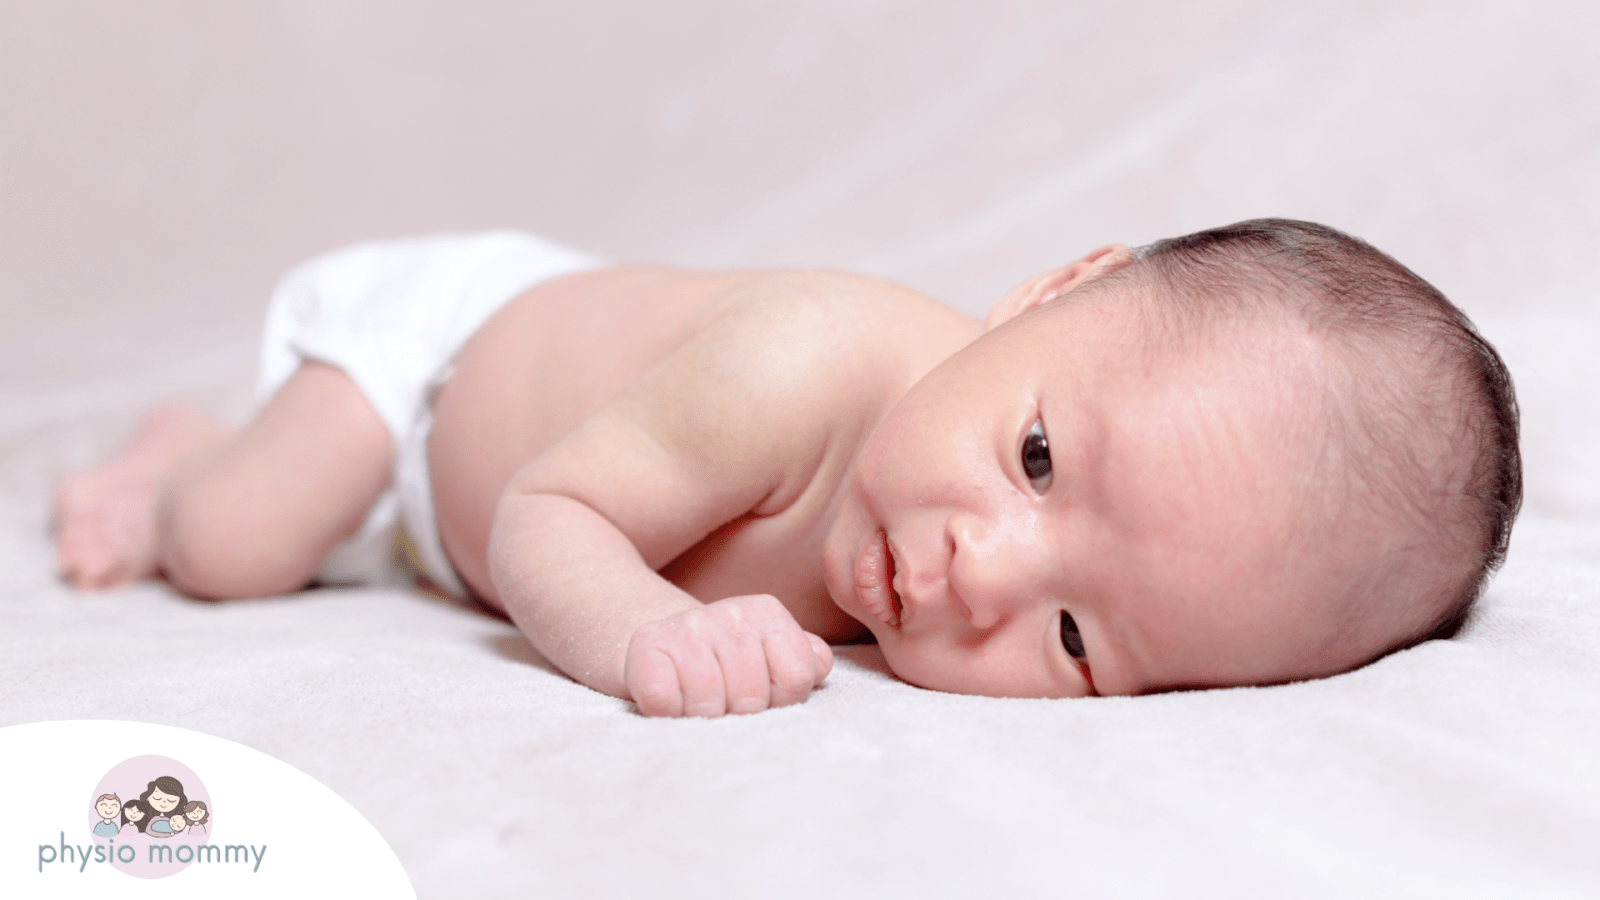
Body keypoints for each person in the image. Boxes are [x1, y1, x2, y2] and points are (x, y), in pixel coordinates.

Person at [53, 220, 1521, 717]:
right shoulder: (805, 362)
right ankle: (177, 458)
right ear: (1050, 292)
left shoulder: (936, 531)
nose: (975, 573)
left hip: (534, 454)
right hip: (437, 377)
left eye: (1077, 641)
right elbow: (540, 510)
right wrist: (649, 637)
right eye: (1035, 458)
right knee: (243, 544)